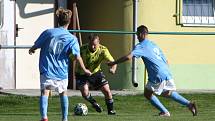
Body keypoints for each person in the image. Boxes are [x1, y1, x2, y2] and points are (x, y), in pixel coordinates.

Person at [108, 25, 197, 117]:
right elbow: (166, 61)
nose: (137, 37)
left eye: (137, 34)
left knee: (147, 93)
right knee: (168, 92)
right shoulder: (154, 45)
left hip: (157, 73)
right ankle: (189, 104)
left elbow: (128, 57)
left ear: (142, 34)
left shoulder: (141, 46)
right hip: (166, 72)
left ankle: (165, 112)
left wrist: (114, 63)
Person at [29, 8, 91, 121]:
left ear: (58, 21)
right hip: (62, 71)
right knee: (63, 93)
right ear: (69, 22)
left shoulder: (48, 32)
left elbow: (37, 45)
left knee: (45, 92)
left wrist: (32, 49)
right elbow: (77, 56)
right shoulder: (72, 38)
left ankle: (44, 117)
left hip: (47, 69)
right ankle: (64, 118)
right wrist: (84, 69)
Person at [74, 33, 117, 115]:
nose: (93, 47)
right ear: (88, 42)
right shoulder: (82, 49)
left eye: (95, 45)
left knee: (107, 90)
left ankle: (111, 110)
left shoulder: (103, 50)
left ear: (99, 42)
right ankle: (94, 103)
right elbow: (72, 57)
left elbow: (113, 62)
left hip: (96, 73)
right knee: (85, 92)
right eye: (91, 44)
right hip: (81, 74)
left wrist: (113, 69)